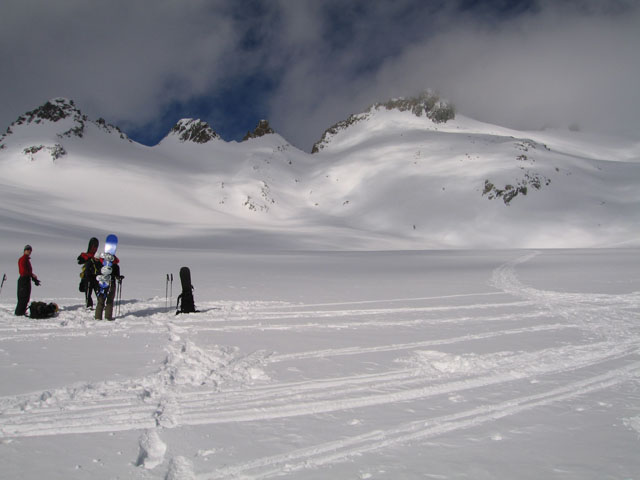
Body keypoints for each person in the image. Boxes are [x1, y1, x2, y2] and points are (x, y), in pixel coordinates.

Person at [95, 255, 123, 321]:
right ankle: (108, 317)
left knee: (100, 301)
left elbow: (97, 274)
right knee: (109, 301)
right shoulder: (115, 266)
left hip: (101, 284)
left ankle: (98, 317)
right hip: (111, 284)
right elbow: (117, 276)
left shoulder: (102, 264)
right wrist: (119, 278)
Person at [15, 245, 40, 316]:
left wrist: (33, 276)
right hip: (23, 279)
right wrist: (31, 275)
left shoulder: (27, 259)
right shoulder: (22, 259)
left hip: (26, 279)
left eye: (30, 250)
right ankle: (19, 313)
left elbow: (27, 271)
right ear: (24, 250)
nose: (29, 251)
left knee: (26, 297)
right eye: (28, 250)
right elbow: (23, 271)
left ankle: (22, 311)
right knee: (23, 297)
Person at [77, 237, 100, 309]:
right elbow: (79, 261)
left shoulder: (97, 256)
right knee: (88, 292)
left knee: (98, 291)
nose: (95, 247)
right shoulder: (86, 255)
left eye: (96, 246)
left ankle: (100, 304)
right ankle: (89, 305)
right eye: (93, 245)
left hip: (96, 276)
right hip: (88, 276)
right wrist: (86, 257)